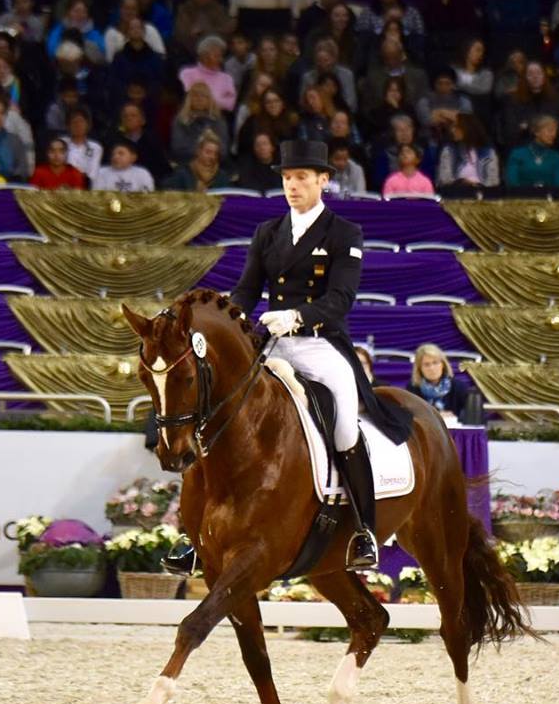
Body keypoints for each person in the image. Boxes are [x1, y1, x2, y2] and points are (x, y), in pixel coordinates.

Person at [163, 139, 413, 577]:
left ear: (322, 181)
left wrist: (298, 316)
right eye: (286, 178)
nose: (292, 186)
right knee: (218, 419)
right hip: (271, 344)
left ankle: (364, 531)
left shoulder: (343, 233)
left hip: (320, 344)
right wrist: (224, 317)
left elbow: (341, 298)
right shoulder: (268, 232)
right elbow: (246, 290)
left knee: (341, 425)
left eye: (301, 178)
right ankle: (194, 536)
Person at [436, 112, 500, 190]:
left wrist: (476, 186)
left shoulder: (488, 152)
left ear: (467, 128)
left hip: (482, 194)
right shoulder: (449, 151)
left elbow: (493, 182)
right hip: (456, 193)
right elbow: (444, 180)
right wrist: (462, 182)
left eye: (456, 127)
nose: (452, 130)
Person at [170, 81, 229, 163]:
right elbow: (177, 148)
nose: (199, 99)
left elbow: (223, 151)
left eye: (203, 96)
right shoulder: (180, 120)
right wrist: (203, 150)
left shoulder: (218, 120)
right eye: (195, 95)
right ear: (189, 99)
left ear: (209, 99)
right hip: (186, 163)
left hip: (214, 164)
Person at [505, 114, 559, 189]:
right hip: (521, 198)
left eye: (555, 131)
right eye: (550, 130)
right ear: (536, 132)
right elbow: (512, 184)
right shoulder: (517, 154)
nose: (553, 134)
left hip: (548, 199)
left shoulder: (556, 157)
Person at [409, 344, 467, 420]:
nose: (432, 368)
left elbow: (469, 417)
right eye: (426, 365)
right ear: (420, 369)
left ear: (443, 365)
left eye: (435, 363)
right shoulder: (412, 388)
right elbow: (408, 417)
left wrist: (454, 418)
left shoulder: (458, 387)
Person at [179, 34, 236, 112]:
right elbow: (191, 99)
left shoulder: (226, 78)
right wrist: (218, 101)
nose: (220, 60)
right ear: (203, 56)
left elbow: (230, 104)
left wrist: (206, 101)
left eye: (221, 56)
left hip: (217, 120)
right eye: (216, 56)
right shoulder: (187, 74)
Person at [162, 130, 231, 191]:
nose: (212, 157)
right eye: (208, 152)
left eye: (215, 153)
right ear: (198, 151)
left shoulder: (222, 177)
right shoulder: (183, 174)